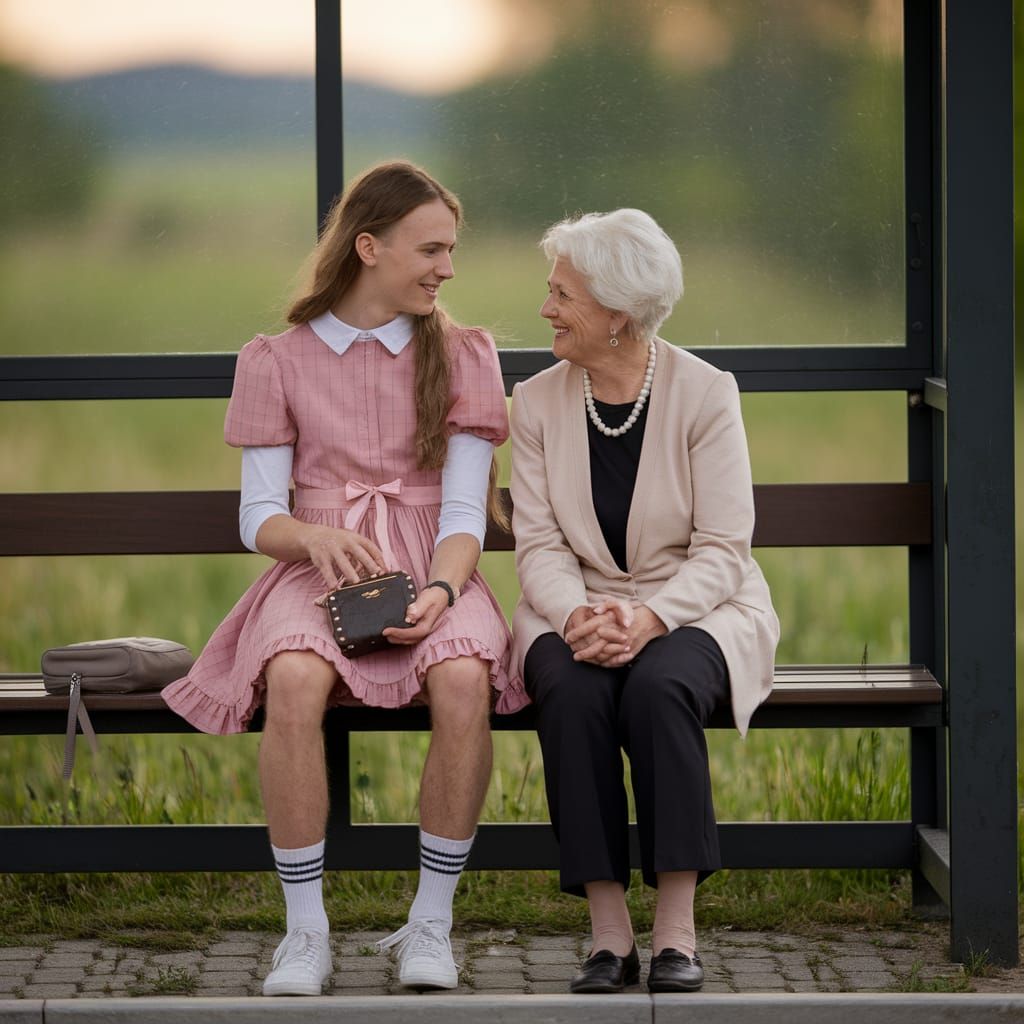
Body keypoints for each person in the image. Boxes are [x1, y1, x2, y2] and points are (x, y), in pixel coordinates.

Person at [163, 161, 528, 997]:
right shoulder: (277, 359)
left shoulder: (465, 354)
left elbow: (465, 516)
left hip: (436, 565)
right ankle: (305, 933)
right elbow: (258, 516)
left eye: (451, 250)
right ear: (369, 246)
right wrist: (314, 536)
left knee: (466, 676)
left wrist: (440, 595)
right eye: (430, 249)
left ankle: (430, 924)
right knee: (291, 678)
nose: (447, 267)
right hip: (318, 567)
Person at [509, 209, 780, 994]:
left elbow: (724, 548)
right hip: (576, 606)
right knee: (569, 686)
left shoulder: (705, 393)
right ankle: (607, 931)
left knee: (661, 687)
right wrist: (575, 617)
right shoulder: (535, 403)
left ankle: (675, 930)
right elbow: (541, 546)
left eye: (561, 294)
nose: (545, 309)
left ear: (618, 314)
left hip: (699, 606)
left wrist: (651, 617)